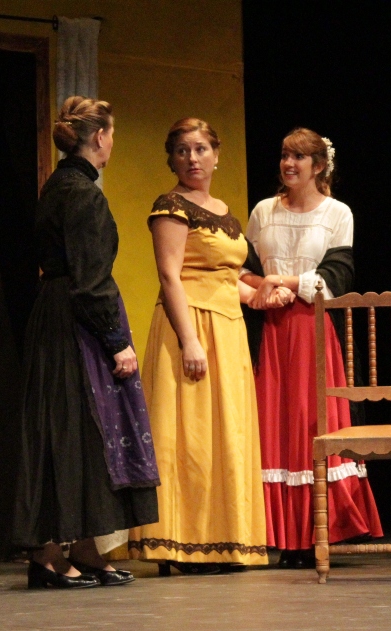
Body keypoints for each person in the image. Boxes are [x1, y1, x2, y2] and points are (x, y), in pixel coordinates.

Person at [13, 96, 159, 589]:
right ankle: (49, 555)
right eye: (112, 134)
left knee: (76, 432)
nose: (112, 142)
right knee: (74, 432)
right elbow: (91, 281)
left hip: (53, 316)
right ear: (99, 137)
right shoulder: (84, 195)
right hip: (75, 325)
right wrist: (116, 341)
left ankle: (84, 548)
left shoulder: (57, 186)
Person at [126, 118, 268, 574]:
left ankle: (223, 540)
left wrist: (261, 295)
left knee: (226, 436)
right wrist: (189, 341)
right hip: (189, 327)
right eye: (183, 151)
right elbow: (171, 276)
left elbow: (226, 279)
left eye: (201, 149)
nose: (193, 159)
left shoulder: (224, 211)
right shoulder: (170, 206)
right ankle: (181, 543)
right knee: (188, 437)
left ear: (216, 154)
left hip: (228, 331)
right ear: (172, 159)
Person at [240, 128, 382, 569]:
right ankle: (279, 535)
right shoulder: (263, 211)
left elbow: (336, 280)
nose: (289, 163)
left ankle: (314, 531)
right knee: (273, 426)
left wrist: (283, 281)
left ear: (319, 166)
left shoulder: (337, 213)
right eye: (285, 155)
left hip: (314, 331)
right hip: (271, 329)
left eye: (299, 157)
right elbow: (243, 271)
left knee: (308, 423)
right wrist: (266, 288)